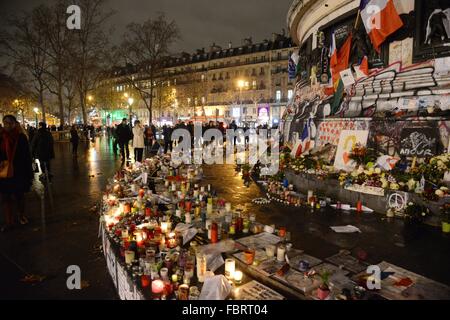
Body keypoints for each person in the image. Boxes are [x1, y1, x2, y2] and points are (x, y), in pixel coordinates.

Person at [0, 115, 34, 231]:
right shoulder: (1, 137)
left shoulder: (21, 138)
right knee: (5, 197)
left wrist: (29, 174)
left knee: (19, 195)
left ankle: (21, 215)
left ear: (15, 123)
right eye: (5, 123)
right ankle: (9, 221)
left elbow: (26, 157)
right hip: (4, 171)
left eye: (9, 123)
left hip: (18, 171)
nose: (7, 125)